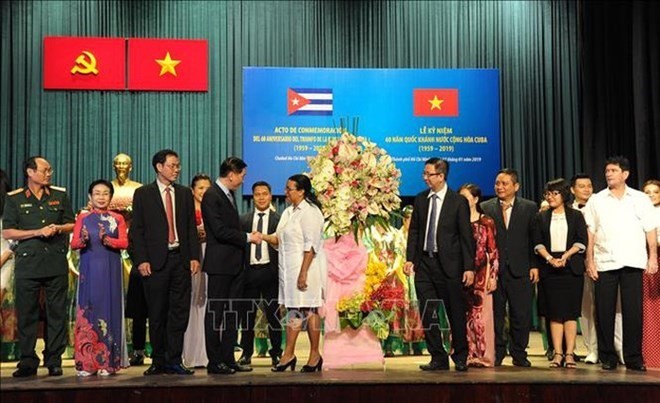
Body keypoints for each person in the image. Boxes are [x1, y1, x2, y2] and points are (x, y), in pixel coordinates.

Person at [129, 149, 201, 376]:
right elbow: (137, 231)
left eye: (178, 165)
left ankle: (174, 360)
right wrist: (141, 260)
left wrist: (194, 257)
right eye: (172, 165)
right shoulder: (143, 194)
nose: (177, 169)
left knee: (179, 313)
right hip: (155, 263)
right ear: (159, 167)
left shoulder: (184, 194)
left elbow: (190, 228)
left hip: (180, 260)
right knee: (157, 313)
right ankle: (158, 360)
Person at [2, 156, 75, 377]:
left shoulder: (59, 195)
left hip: (54, 261)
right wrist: (36, 232)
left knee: (56, 313)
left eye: (50, 170)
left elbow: (72, 223)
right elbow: (8, 232)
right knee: (27, 314)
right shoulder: (14, 199)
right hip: (28, 264)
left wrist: (58, 228)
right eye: (44, 170)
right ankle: (27, 360)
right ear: (30, 172)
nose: (48, 174)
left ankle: (53, 359)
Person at [584, 156, 657, 372]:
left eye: (614, 170)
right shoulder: (597, 199)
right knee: (604, 311)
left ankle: (633, 356)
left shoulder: (640, 198)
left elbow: (650, 229)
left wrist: (652, 257)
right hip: (605, 261)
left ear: (625, 174)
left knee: (633, 311)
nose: (609, 173)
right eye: (607, 170)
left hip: (633, 260)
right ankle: (608, 356)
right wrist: (590, 260)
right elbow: (591, 231)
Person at [404, 158, 475, 372]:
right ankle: (438, 357)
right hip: (425, 264)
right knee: (429, 313)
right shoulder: (420, 199)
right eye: (424, 174)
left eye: (429, 174)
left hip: (450, 266)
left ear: (441, 176)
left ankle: (460, 355)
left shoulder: (457, 202)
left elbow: (466, 236)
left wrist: (469, 267)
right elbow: (414, 231)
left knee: (455, 313)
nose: (425, 178)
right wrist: (410, 259)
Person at [263, 174, 327, 373]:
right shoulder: (288, 212)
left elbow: (312, 245)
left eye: (290, 188)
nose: (286, 192)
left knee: (310, 309)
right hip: (289, 271)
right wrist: (261, 237)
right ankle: (289, 354)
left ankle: (315, 354)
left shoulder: (311, 212)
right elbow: (279, 239)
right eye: (286, 188)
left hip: (307, 269)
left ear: (302, 191)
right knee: (293, 310)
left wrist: (303, 273)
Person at [202, 157, 259, 375]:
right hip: (219, 265)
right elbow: (219, 230)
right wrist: (247, 237)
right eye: (242, 176)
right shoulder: (212, 195)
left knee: (232, 313)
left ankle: (228, 358)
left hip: (234, 265)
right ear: (232, 174)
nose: (243, 180)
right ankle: (214, 361)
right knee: (216, 313)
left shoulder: (227, 195)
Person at [480, 168, 539, 367]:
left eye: (504, 183)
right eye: (497, 183)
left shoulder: (529, 208)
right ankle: (497, 352)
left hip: (521, 268)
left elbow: (534, 239)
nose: (500, 187)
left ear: (516, 186)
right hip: (494, 272)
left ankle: (519, 353)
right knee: (496, 313)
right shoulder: (485, 207)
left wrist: (534, 265)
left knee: (521, 314)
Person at [70, 179, 129, 376]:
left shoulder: (117, 218)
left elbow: (124, 243)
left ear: (110, 197)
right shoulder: (83, 218)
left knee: (109, 309)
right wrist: (84, 239)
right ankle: (87, 364)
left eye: (105, 193)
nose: (101, 197)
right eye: (97, 193)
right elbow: (75, 244)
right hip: (90, 269)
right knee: (89, 310)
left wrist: (108, 240)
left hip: (111, 269)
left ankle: (108, 363)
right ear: (90, 196)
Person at [532, 178, 588, 369]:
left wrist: (566, 256)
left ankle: (570, 354)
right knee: (554, 313)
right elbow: (537, 242)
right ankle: (557, 354)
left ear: (564, 195)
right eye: (548, 194)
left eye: (554, 193)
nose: (550, 197)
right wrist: (549, 258)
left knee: (570, 314)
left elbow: (582, 241)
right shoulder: (541, 217)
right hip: (549, 267)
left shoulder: (576, 216)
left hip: (571, 268)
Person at [108, 153, 148, 367]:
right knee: (136, 308)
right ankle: (128, 349)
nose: (121, 167)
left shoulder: (139, 190)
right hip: (117, 252)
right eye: (118, 163)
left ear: (131, 167)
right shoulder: (107, 190)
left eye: (125, 163)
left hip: (142, 254)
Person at [238, 181, 282, 367]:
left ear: (271, 196)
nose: (262, 197)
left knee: (274, 316)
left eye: (265, 193)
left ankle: (276, 354)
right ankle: (246, 353)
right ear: (252, 196)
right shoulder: (243, 220)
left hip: (270, 272)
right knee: (247, 315)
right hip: (249, 273)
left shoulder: (279, 219)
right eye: (258, 194)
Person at [458, 183, 499, 367]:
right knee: (463, 316)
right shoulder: (457, 220)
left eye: (466, 198)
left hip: (481, 274)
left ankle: (483, 355)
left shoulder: (486, 222)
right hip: (460, 274)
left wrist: (493, 277)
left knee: (481, 317)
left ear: (475, 199)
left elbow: (493, 251)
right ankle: (467, 354)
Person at [182, 173, 212, 368]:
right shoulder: (185, 211)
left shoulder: (215, 210)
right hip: (192, 258)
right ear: (192, 190)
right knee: (192, 302)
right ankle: (191, 354)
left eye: (207, 188)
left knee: (208, 301)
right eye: (200, 188)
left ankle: (208, 353)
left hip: (211, 256)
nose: (204, 192)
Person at [641, 179, 660, 369]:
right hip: (644, 261)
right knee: (648, 307)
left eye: (655, 192)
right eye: (647, 192)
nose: (651, 195)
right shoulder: (639, 213)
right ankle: (650, 354)